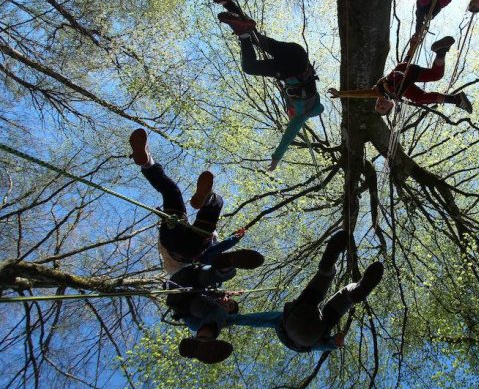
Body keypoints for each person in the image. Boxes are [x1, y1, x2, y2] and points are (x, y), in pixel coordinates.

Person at [174, 231, 384, 359]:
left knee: (342, 298)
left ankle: (355, 289)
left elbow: (322, 345)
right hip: (295, 328)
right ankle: (328, 266)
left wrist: (333, 344)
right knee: (313, 294)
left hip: (308, 336)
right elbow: (253, 320)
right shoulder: (264, 321)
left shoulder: (217, 311)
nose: (228, 304)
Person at [192, 0, 323, 171]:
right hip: (295, 67)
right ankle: (241, 32)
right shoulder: (303, 114)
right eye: (290, 113)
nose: (290, 113)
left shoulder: (297, 102)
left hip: (297, 54)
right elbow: (289, 135)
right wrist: (277, 157)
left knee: (255, 37)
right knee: (250, 66)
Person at [129, 128, 262, 275]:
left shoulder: (204, 256)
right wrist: (234, 239)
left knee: (178, 195)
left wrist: (235, 239)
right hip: (172, 236)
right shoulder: (204, 248)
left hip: (185, 249)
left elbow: (216, 250)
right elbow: (217, 249)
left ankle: (209, 199)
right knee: (173, 193)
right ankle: (147, 162)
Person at [328, 36, 472, 115]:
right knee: (435, 76)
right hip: (406, 75)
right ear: (391, 106)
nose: (381, 104)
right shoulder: (399, 95)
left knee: (414, 96)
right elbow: (406, 62)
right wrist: (412, 46)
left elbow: (360, 94)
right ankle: (441, 52)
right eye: (383, 108)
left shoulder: (379, 92)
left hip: (398, 76)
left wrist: (341, 94)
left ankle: (455, 100)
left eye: (378, 105)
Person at [167, 260, 263, 364]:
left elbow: (185, 314)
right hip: (187, 280)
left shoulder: (208, 316)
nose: (227, 302)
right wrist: (225, 293)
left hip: (182, 301)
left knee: (203, 319)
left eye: (229, 306)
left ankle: (201, 342)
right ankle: (228, 262)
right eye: (229, 301)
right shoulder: (213, 292)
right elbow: (211, 290)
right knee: (223, 276)